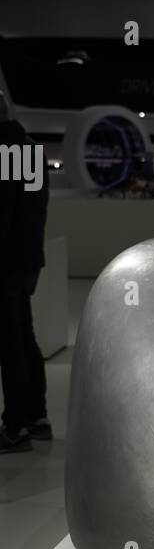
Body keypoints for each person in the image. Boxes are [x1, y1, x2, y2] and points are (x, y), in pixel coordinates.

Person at [0, 115, 51, 453]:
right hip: (28, 259)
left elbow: (2, 213)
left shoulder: (7, 152)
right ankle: (37, 416)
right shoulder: (30, 152)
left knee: (10, 344)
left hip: (6, 264)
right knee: (24, 336)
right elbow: (33, 209)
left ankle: (15, 425)